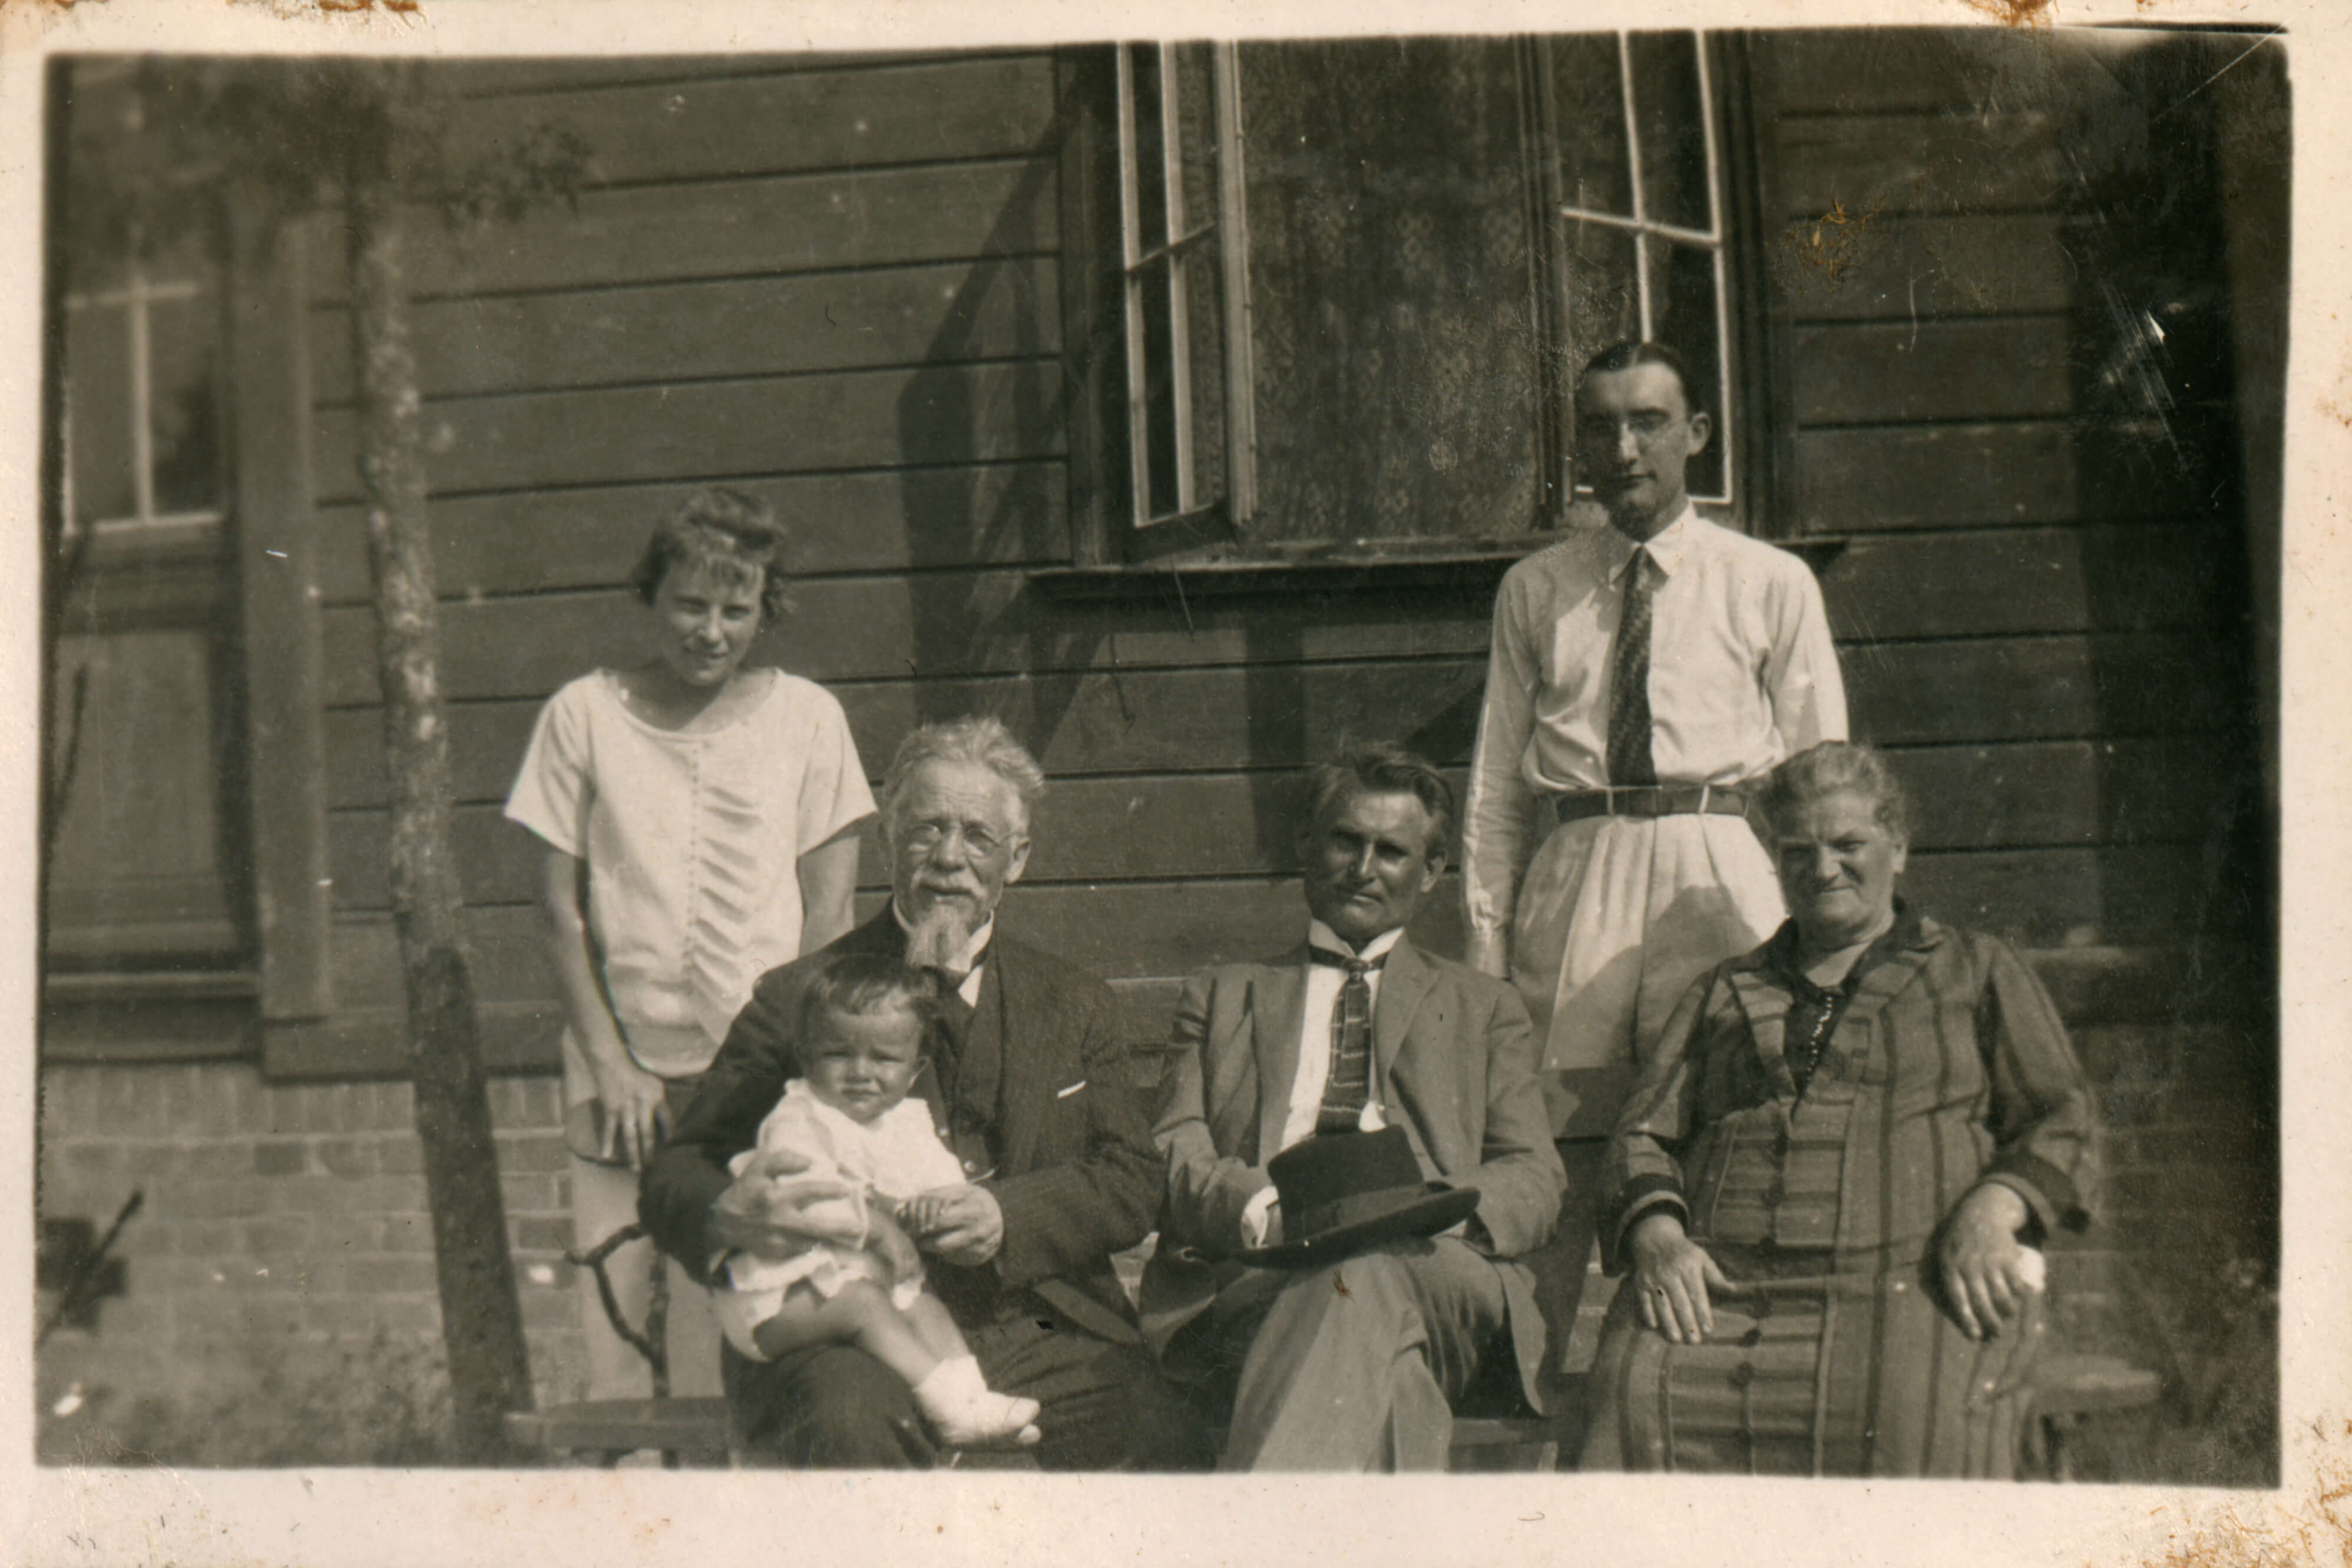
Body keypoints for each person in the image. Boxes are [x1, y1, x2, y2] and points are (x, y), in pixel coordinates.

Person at [641, 716, 1213, 1470]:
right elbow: (677, 1174)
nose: (948, 858)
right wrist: (732, 1211)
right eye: (925, 830)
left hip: (1038, 1322)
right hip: (855, 1323)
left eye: (978, 836)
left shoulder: (1074, 1002)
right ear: (887, 841)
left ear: (1018, 859)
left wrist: (1007, 1217)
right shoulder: (799, 996)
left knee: (1162, 1436)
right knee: (852, 1423)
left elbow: (1133, 1178)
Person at [1579, 741, 2099, 1477]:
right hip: (1721, 1295)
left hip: (1903, 1287)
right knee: (1631, 1398)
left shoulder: (1976, 969)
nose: (1823, 869)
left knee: (1911, 1420)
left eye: (1848, 845)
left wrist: (1995, 1209)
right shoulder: (1725, 988)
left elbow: (2063, 1116)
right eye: (1798, 851)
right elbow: (1643, 1133)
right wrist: (1658, 1238)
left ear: (1899, 846)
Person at [504, 486, 875, 1403]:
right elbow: (556, 907)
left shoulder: (809, 719)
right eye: (690, 604)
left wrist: (780, 1066)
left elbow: (829, 915)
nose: (710, 631)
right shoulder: (583, 715)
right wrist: (610, 1059)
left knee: (734, 1315)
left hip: (754, 1067)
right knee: (616, 1313)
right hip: (621, 1066)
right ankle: (628, 1480)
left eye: (735, 610)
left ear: (765, 610)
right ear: (653, 596)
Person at [1462, 340, 1848, 1141]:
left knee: (1732, 1106)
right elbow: (1495, 786)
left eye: (1648, 422)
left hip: (1720, 865)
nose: (1624, 450)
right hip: (1579, 868)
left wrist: (1821, 934)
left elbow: (1822, 779)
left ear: (1696, 432)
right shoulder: (1535, 588)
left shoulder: (1769, 581)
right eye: (1600, 428)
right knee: (1562, 1118)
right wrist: (1486, 952)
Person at [1141, 743, 1566, 1470]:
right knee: (1389, 1373)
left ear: (1431, 870)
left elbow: (1534, 1172)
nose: (1363, 868)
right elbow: (1173, 1143)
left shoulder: (1484, 1005)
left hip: (1435, 1268)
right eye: (1345, 840)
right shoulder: (1224, 994)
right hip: (1263, 1268)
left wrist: (1428, 1208)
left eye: (1391, 851)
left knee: (1364, 1272)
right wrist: (1259, 1209)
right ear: (1307, 845)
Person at [712, 951, 1040, 1448]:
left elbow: (946, 1184)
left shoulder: (906, 1124)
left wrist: (938, 1205)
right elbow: (805, 1203)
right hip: (776, 1302)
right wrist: (879, 1223)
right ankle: (951, 1413)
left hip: (855, 1283)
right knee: (865, 1304)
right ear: (806, 1055)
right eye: (838, 1054)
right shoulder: (799, 1120)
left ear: (915, 1068)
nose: (860, 1072)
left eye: (884, 1059)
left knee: (926, 1308)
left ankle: (975, 1408)